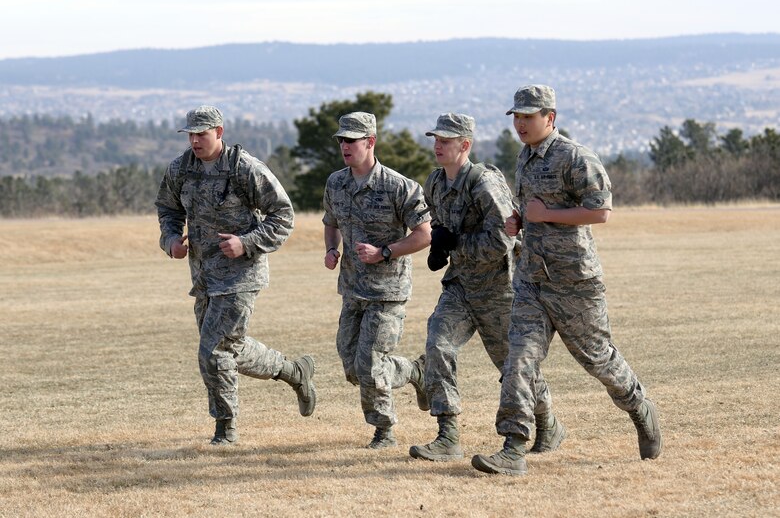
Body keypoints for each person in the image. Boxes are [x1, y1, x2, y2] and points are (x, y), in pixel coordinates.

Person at [472, 85, 662, 475]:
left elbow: (601, 211)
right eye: (517, 117)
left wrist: (546, 215)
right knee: (518, 360)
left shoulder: (575, 157)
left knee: (598, 360)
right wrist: (521, 220)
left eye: (529, 116)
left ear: (550, 118)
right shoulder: (523, 158)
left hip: (574, 282)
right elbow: (534, 209)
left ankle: (639, 406)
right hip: (531, 281)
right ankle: (513, 447)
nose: (521, 124)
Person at [155, 105, 316, 446]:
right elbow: (167, 208)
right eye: (191, 134)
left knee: (212, 350)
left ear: (219, 132)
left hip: (241, 275)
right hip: (203, 276)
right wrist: (170, 240)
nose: (195, 140)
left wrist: (247, 243)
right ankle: (293, 371)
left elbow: (283, 216)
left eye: (202, 134)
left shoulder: (245, 168)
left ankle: (225, 429)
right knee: (229, 349)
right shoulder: (181, 169)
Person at [409, 113, 563, 462]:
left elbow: (501, 241)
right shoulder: (435, 182)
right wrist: (439, 246)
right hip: (460, 287)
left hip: (499, 289)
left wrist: (456, 243)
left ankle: (547, 421)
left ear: (465, 145)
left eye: (446, 140)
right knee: (437, 343)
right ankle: (447, 435)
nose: (438, 145)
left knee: (512, 367)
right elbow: (438, 221)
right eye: (435, 138)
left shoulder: (483, 184)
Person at [322, 111, 432, 449]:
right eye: (341, 140)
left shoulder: (399, 187)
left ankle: (383, 431)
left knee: (370, 364)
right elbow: (331, 220)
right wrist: (331, 249)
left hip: (387, 290)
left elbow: (425, 234)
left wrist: (385, 252)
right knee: (351, 364)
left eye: (351, 140)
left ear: (370, 142)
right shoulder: (336, 183)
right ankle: (414, 371)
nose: (345, 146)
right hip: (353, 289)